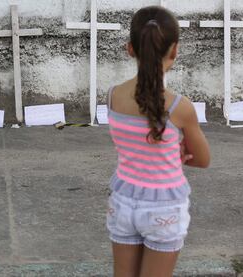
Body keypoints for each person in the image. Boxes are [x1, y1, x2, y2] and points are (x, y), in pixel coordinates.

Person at [106, 6, 210, 277]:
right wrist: (179, 152)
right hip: (165, 207)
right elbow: (202, 160)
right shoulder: (180, 107)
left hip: (123, 201)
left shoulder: (114, 96)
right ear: (174, 51)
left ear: (130, 48)